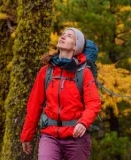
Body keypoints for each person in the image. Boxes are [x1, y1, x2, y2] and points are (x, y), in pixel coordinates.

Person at [20, 28, 101, 160]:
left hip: (76, 137)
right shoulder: (46, 72)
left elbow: (94, 103)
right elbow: (34, 105)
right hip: (50, 136)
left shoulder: (83, 73)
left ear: (76, 46)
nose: (63, 37)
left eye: (69, 36)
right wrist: (26, 135)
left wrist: (83, 123)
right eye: (62, 34)